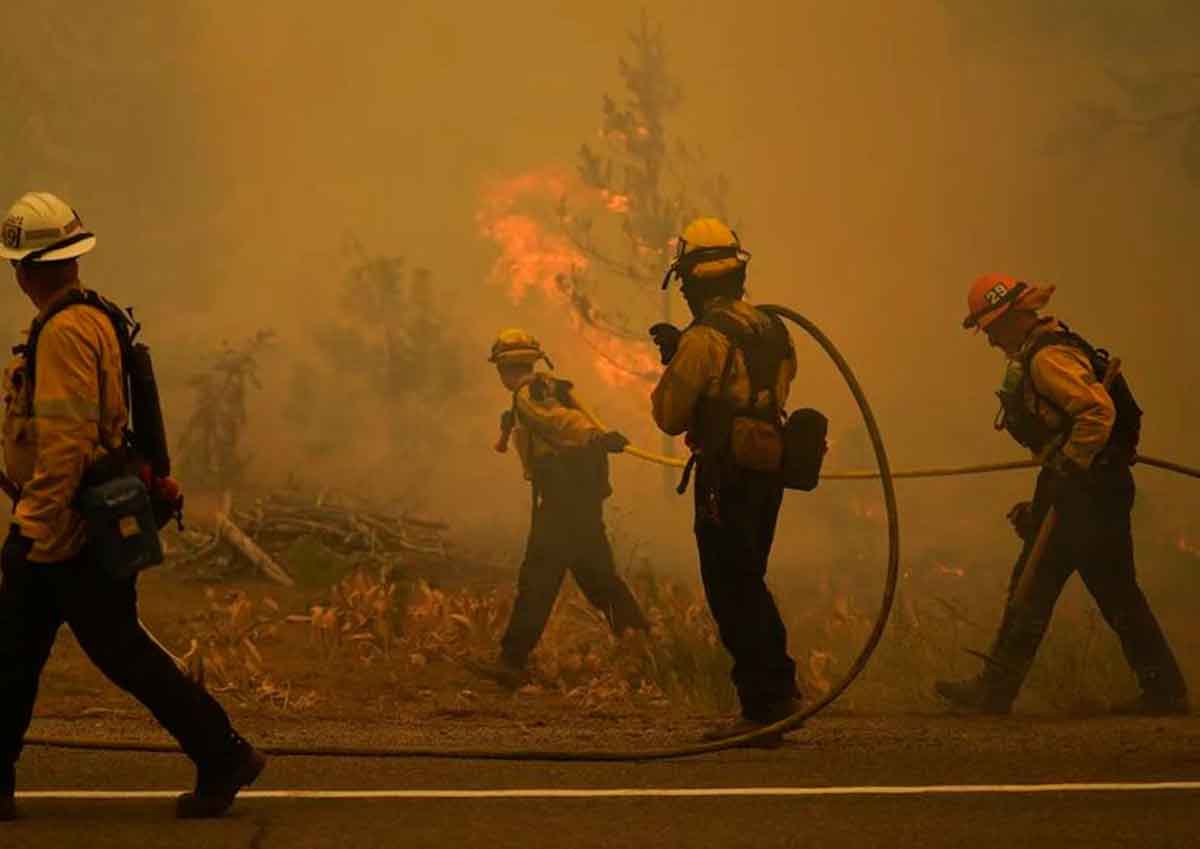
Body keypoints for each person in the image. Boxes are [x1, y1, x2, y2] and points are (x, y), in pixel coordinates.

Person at [0, 192, 265, 821]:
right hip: (78, 520)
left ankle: (223, 752)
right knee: (17, 651)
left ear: (26, 268)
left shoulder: (64, 331)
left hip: (63, 529)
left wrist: (33, 527)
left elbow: (65, 440)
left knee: (119, 654)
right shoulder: (93, 316)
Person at [935, 273, 1188, 715]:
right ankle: (1161, 688)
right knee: (1069, 585)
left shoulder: (1047, 357)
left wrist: (1070, 468)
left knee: (1055, 584)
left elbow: (1096, 412)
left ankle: (997, 690)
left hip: (1088, 487)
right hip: (1082, 485)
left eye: (992, 329)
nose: (991, 340)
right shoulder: (1048, 347)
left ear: (1013, 317)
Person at [649, 218, 800, 746]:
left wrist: (677, 363)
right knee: (750, 578)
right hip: (768, 470)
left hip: (725, 476)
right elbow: (767, 390)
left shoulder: (705, 338)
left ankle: (763, 709)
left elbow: (669, 415)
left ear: (693, 283)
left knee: (731, 587)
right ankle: (779, 694)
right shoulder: (773, 329)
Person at [471, 329, 648, 688]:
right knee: (597, 576)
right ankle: (644, 646)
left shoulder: (529, 393)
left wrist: (593, 436)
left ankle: (512, 662)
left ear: (504, 367)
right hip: (578, 499)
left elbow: (563, 422)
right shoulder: (547, 388)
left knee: (538, 577)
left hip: (560, 500)